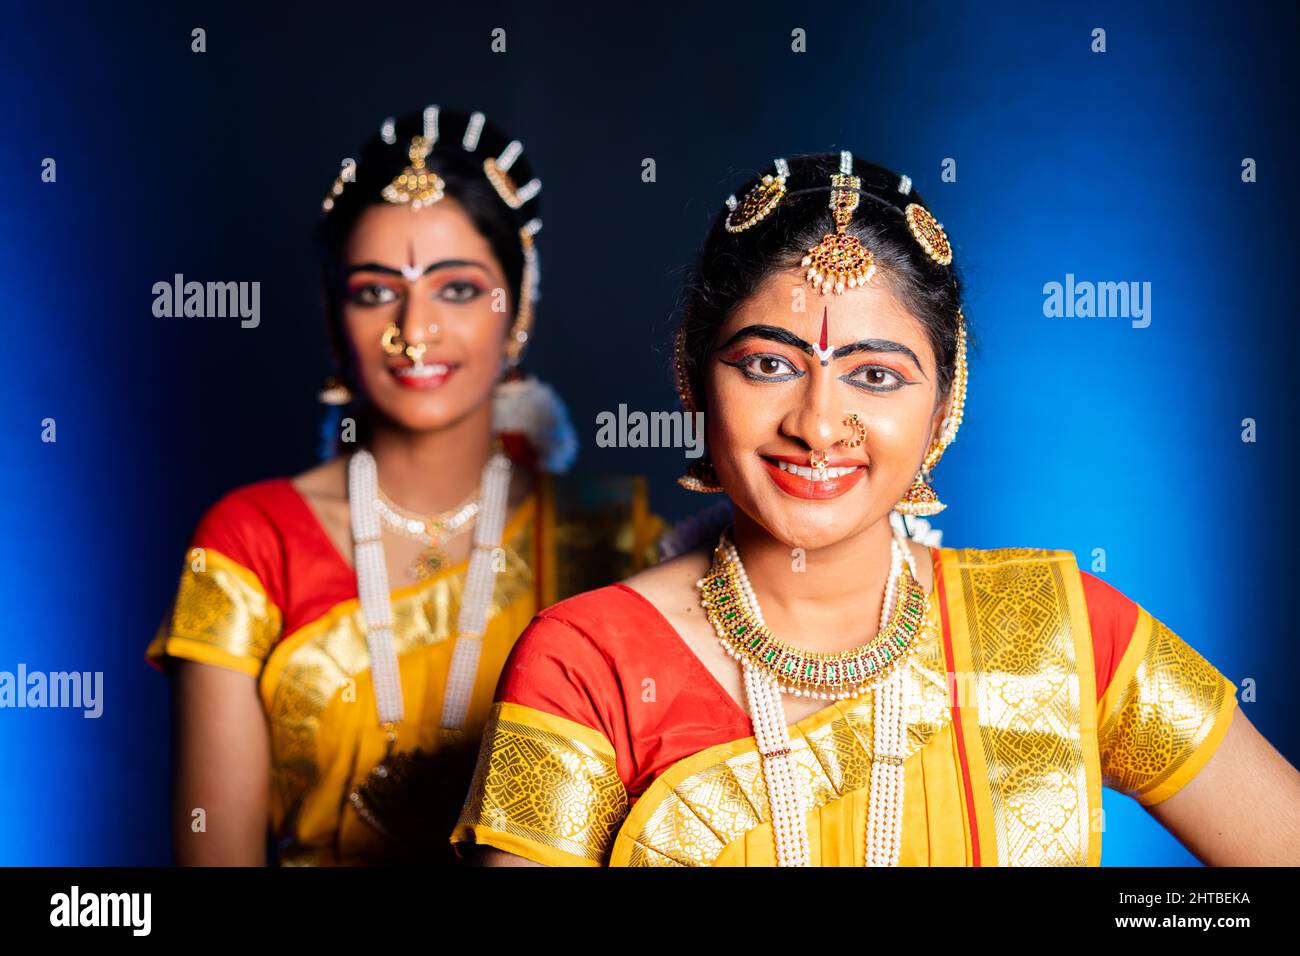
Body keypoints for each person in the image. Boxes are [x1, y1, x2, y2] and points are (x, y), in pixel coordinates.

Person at [452, 151, 1300, 866]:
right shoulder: (586, 665)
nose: (820, 424)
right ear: (692, 376)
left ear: (944, 404)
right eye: (767, 365)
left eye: (876, 375)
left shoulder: (1062, 631)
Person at [148, 106, 663, 865]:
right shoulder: (251, 543)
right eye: (374, 291)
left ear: (515, 309)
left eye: (457, 289)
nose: (413, 329)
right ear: (333, 316)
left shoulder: (612, 542)